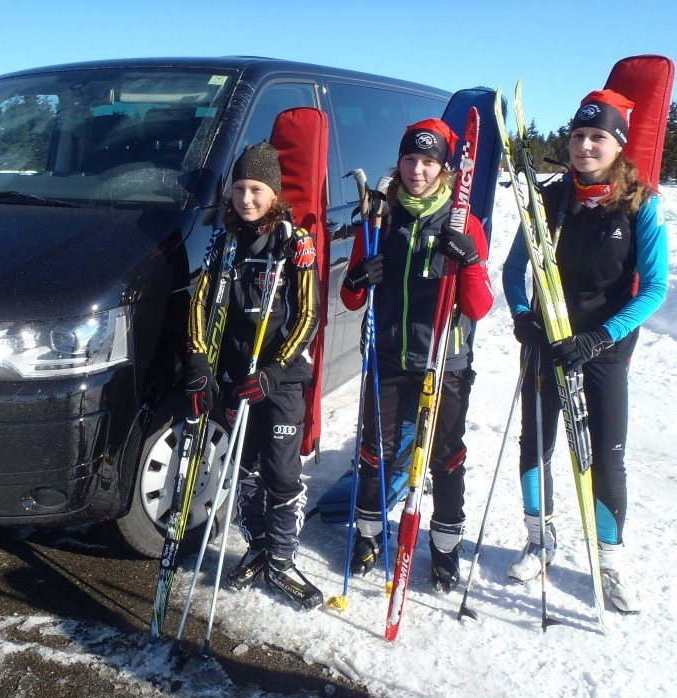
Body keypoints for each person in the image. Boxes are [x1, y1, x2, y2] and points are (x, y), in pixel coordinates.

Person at [502, 90, 668, 614]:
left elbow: (655, 288)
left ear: (618, 145)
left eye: (598, 137)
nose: (585, 146)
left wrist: (601, 337)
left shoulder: (641, 204)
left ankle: (609, 559)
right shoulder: (548, 200)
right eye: (578, 135)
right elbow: (513, 270)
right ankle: (539, 539)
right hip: (547, 344)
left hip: (603, 351)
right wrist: (523, 316)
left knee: (606, 456)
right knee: (536, 445)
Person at [340, 119, 493, 592]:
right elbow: (350, 298)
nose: (417, 170)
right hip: (387, 355)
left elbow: (479, 307)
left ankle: (445, 548)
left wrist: (468, 261)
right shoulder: (380, 218)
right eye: (410, 159)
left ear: (444, 168)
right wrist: (360, 276)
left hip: (444, 360)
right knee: (375, 451)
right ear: (399, 161)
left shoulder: (463, 222)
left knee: (445, 456)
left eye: (428, 162)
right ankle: (368, 535)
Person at [183, 142, 323, 609]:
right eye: (240, 188)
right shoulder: (223, 243)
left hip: (279, 378)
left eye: (257, 189)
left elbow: (308, 315)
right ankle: (258, 546)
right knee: (244, 468)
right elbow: (200, 303)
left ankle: (281, 560)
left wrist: (275, 370)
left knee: (280, 473)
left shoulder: (294, 243)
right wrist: (199, 361)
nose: (246, 198)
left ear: (274, 194)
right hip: (234, 375)